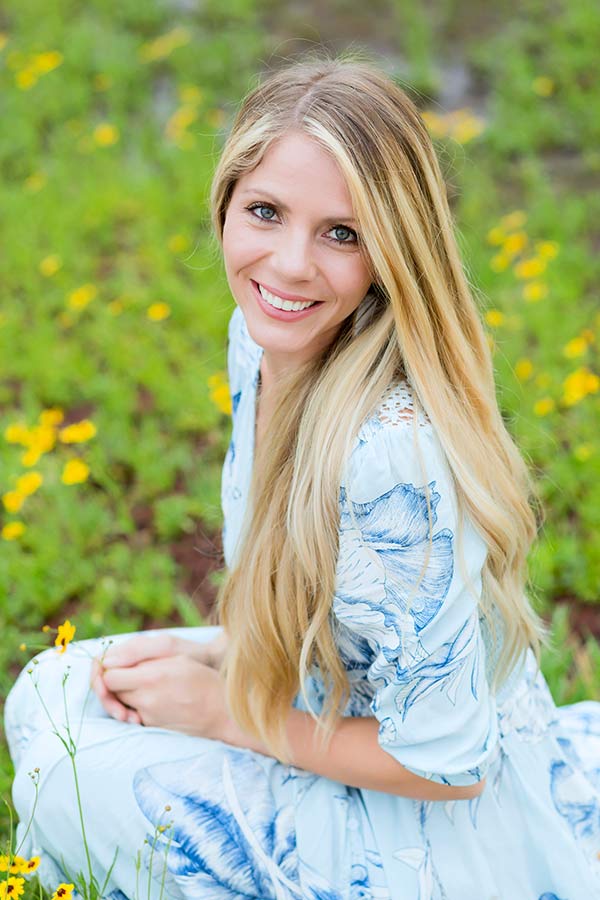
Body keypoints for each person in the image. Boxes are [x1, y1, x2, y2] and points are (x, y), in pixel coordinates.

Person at [5, 52, 600, 900]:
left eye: (341, 233)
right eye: (266, 212)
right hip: (330, 697)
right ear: (224, 204)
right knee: (52, 692)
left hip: (423, 838)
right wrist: (211, 658)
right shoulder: (264, 342)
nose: (288, 266)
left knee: (55, 779)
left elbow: (450, 765)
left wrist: (224, 712)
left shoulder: (390, 454)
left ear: (391, 253)